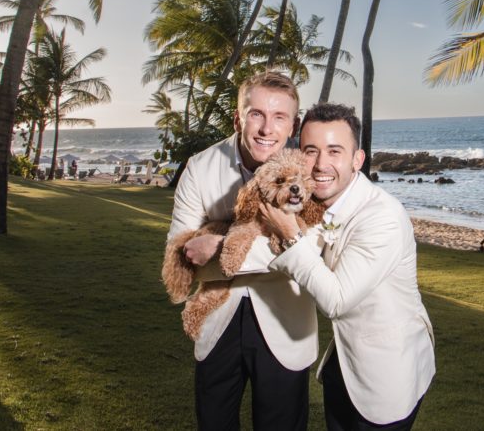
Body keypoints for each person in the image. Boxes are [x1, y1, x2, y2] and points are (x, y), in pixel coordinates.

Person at [260, 103, 435, 430]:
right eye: (311, 151)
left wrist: (288, 232)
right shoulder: (316, 202)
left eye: (335, 151)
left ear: (358, 160)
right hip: (344, 363)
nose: (321, 164)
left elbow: (337, 301)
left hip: (386, 374)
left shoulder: (383, 217)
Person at [166, 70, 316, 430]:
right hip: (217, 324)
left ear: (293, 125)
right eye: (257, 114)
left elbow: (312, 247)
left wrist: (218, 244)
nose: (267, 129)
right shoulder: (200, 168)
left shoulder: (307, 173)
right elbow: (179, 254)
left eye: (279, 117)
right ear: (238, 117)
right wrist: (280, 249)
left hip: (286, 324)